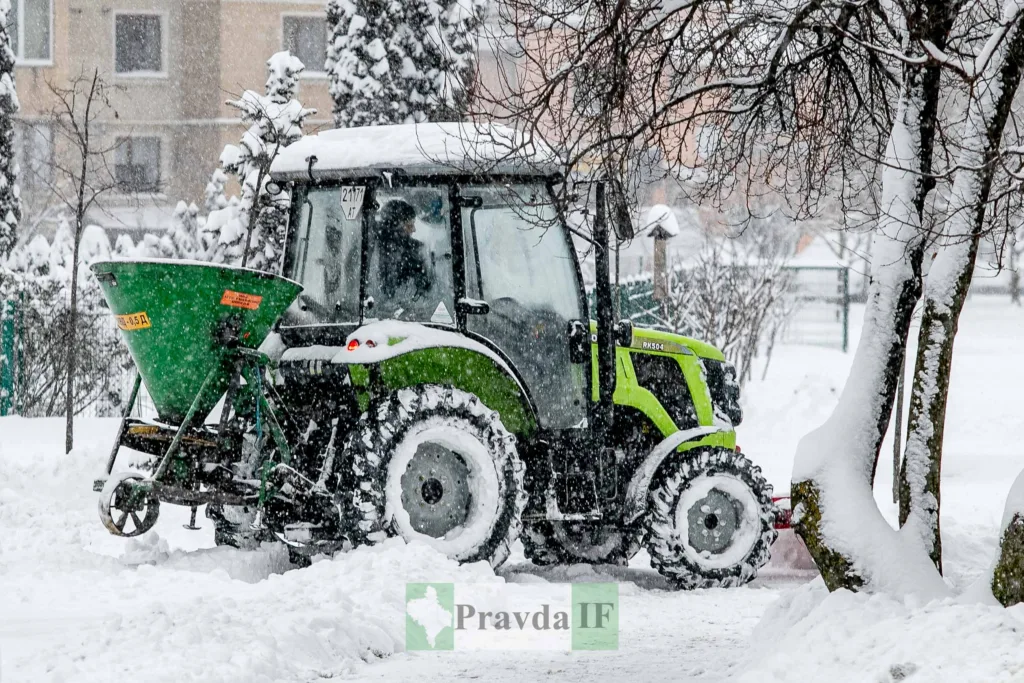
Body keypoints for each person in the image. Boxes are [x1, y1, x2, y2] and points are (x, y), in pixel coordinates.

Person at [375, 198, 430, 307]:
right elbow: (425, 292)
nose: (414, 230)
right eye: (410, 225)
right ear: (395, 227)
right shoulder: (414, 253)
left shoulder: (371, 249)